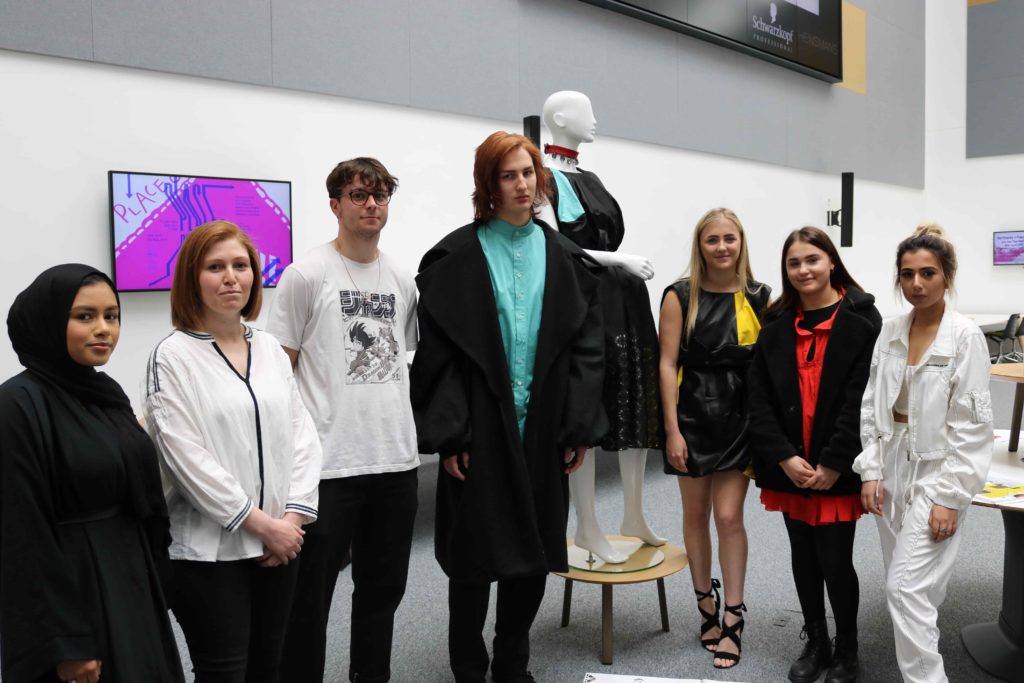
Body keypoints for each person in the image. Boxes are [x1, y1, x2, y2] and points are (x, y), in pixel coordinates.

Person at [411, 131, 607, 683]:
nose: (522, 185)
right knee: (472, 558)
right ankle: (468, 667)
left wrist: (578, 427)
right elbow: (441, 356)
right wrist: (453, 434)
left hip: (543, 429)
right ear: (488, 184)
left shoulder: (568, 260)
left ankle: (513, 665)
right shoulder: (454, 259)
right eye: (508, 175)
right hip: (479, 430)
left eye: (528, 173)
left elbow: (587, 352)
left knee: (533, 552)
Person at [144, 222, 322, 682]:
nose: (231, 278)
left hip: (280, 543)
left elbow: (302, 436)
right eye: (215, 267)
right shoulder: (172, 356)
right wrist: (262, 525)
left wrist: (291, 521)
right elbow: (186, 459)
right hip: (210, 553)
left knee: (269, 664)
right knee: (224, 671)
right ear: (192, 278)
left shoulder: (270, 348)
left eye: (241, 266)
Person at [267, 158, 420, 683]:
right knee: (309, 598)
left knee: (383, 592)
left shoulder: (401, 278)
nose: (371, 204)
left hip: (395, 461)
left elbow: (399, 358)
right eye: (358, 195)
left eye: (380, 195)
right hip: (327, 467)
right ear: (335, 205)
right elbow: (279, 374)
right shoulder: (305, 275)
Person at [0, 264, 184, 683]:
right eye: (85, 316)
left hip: (130, 579)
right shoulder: (17, 403)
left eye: (111, 316)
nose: (104, 329)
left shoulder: (104, 394)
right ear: (48, 320)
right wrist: (65, 643)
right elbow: (22, 534)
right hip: (75, 592)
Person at [854, 224, 993, 683]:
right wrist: (871, 469)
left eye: (927, 273)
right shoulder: (891, 330)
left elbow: (972, 425)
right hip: (891, 463)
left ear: (946, 277)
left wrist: (951, 497)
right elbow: (872, 404)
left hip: (939, 468)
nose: (916, 283)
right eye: (907, 274)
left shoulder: (965, 336)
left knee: (904, 586)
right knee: (917, 585)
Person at [748, 227, 882, 683]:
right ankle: (817, 641)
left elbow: (862, 400)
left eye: (812, 259)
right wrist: (784, 457)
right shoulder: (775, 324)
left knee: (835, 561)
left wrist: (833, 463)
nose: (803, 270)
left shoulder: (863, 320)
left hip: (837, 466)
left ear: (831, 262)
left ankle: (848, 647)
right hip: (790, 468)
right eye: (794, 263)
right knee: (803, 557)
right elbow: (759, 400)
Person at [538, 90, 664, 564]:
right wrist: (619, 259)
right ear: (560, 118)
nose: (594, 119)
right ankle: (587, 526)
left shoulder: (589, 177)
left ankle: (633, 513)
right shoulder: (541, 179)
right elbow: (554, 246)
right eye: (585, 111)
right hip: (584, 301)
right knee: (587, 412)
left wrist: (621, 266)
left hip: (624, 300)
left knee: (634, 402)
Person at [658, 208, 770, 669]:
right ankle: (705, 602)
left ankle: (733, 615)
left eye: (730, 238)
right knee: (695, 514)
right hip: (692, 419)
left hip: (740, 422)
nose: (722, 247)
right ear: (700, 246)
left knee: (728, 517)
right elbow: (667, 364)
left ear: (741, 242)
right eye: (712, 240)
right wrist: (671, 431)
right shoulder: (680, 295)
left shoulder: (760, 296)